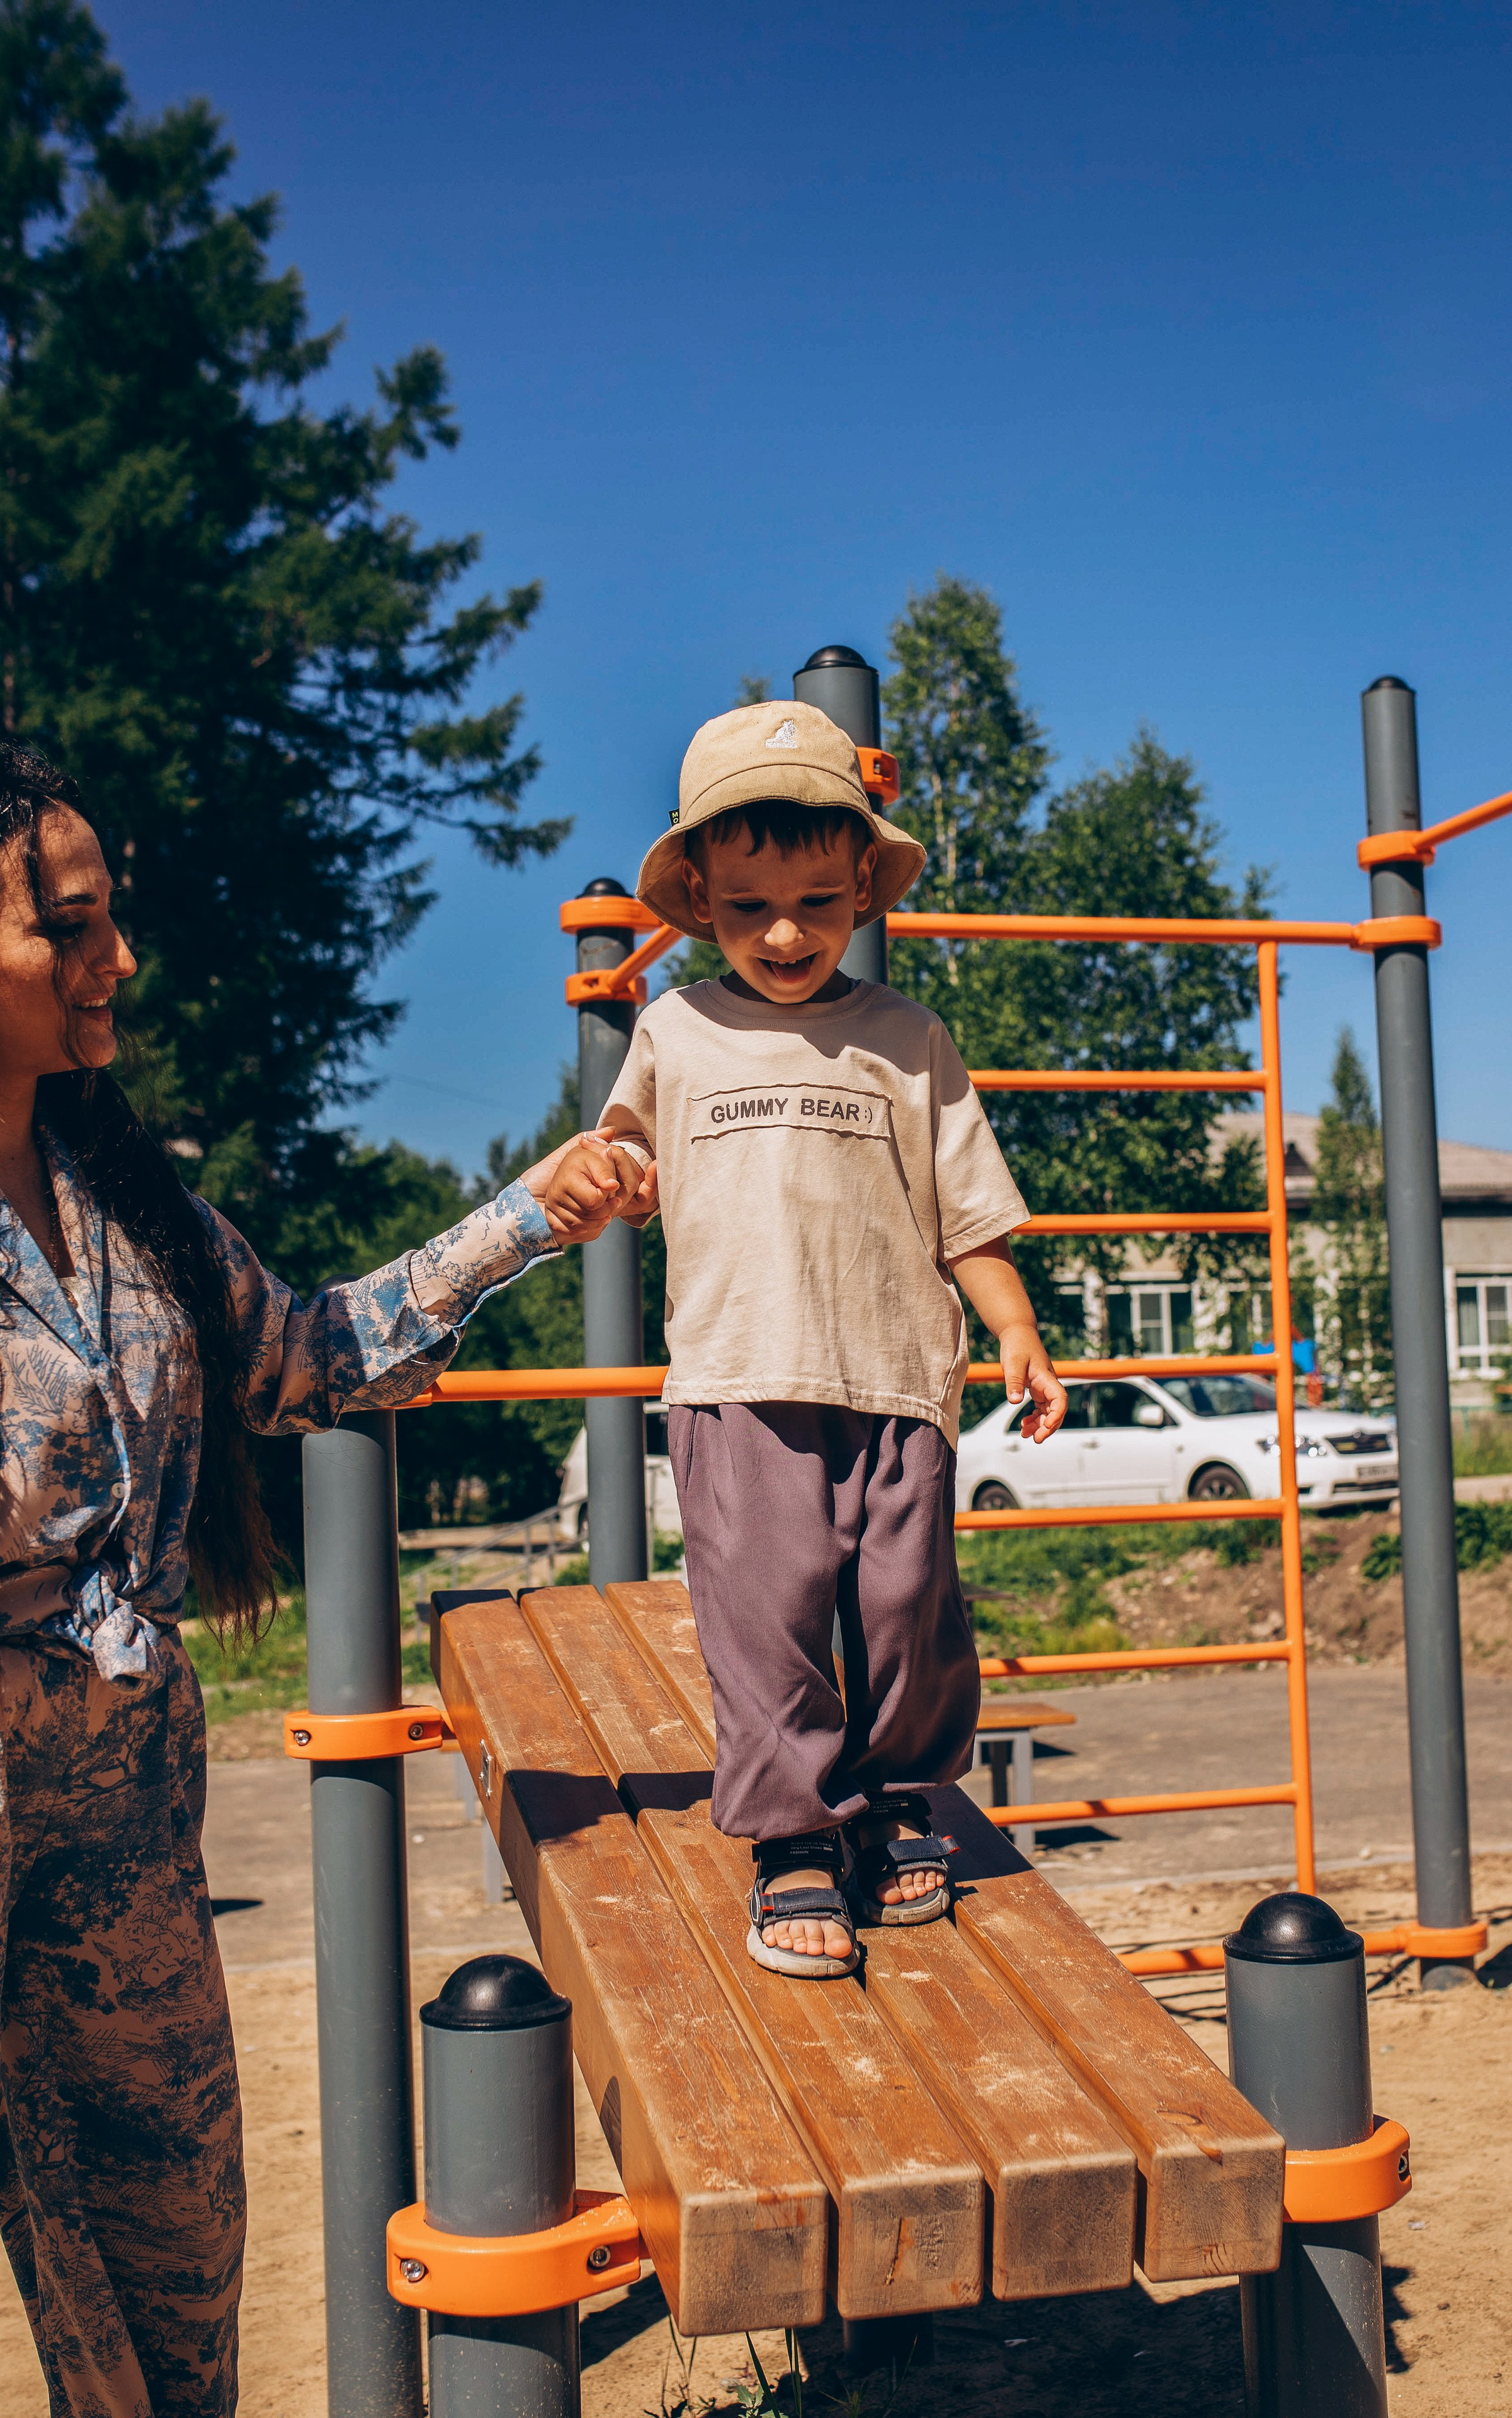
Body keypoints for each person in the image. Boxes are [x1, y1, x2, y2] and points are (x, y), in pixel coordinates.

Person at [0, 736, 617, 2417]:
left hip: (130, 1852)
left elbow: (312, 1352)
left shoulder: (127, 1205)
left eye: (110, 918)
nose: (115, 960)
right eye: (64, 929)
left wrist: (535, 1212)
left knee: (173, 2294)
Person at [547, 701, 1067, 1979]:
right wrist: (598, 1169)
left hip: (896, 1373)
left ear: (857, 894)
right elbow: (626, 1152)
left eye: (817, 902)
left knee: (905, 1606)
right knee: (766, 1614)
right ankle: (791, 1836)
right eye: (744, 910)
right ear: (702, 905)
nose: (783, 934)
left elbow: (968, 1216)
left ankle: (896, 1802)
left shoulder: (905, 1039)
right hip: (738, 1376)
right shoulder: (675, 1030)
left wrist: (1016, 1336)